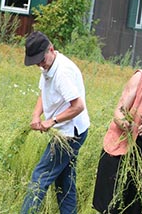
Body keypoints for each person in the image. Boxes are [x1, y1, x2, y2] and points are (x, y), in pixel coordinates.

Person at [20, 31, 90, 214]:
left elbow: (78, 106)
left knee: (40, 176)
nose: (39, 64)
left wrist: (52, 121)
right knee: (65, 181)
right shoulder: (47, 67)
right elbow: (43, 94)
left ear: (50, 49)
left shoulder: (63, 72)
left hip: (70, 133)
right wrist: (36, 116)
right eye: (36, 62)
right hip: (66, 130)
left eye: (41, 60)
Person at [92, 69, 142, 213]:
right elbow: (119, 111)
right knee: (111, 207)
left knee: (139, 209)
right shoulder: (141, 78)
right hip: (122, 154)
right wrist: (124, 123)